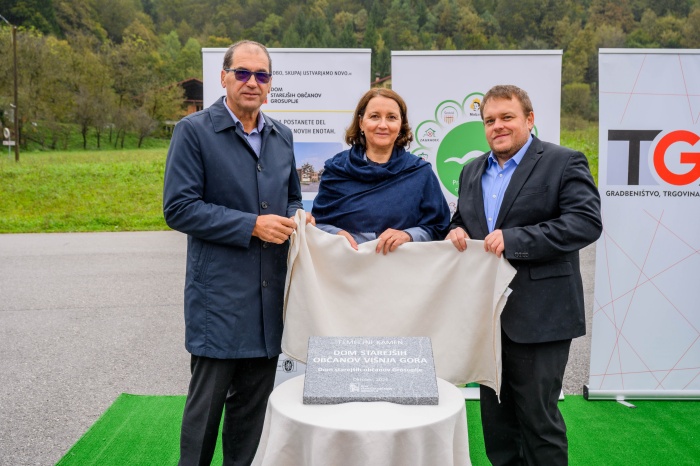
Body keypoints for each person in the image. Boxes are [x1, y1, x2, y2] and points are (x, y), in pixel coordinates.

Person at [163, 40, 313, 466]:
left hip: (269, 299)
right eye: (243, 73)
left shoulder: (281, 136)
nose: (252, 82)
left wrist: (297, 219)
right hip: (220, 298)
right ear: (224, 77)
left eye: (261, 75)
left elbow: (292, 199)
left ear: (270, 85)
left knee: (251, 414)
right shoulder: (192, 132)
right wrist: (251, 225)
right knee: (205, 413)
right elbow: (179, 208)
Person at [446, 84, 602, 465]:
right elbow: (463, 220)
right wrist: (455, 231)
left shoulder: (564, 161)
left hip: (542, 317)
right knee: (497, 427)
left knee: (538, 423)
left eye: (507, 117)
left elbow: (585, 223)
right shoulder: (471, 171)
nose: (497, 126)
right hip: (488, 319)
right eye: (489, 120)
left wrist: (516, 239)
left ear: (529, 119)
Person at [312, 88, 450, 254]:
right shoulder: (336, 169)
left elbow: (438, 227)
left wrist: (408, 235)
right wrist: (336, 235)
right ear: (361, 122)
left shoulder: (420, 172)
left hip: (403, 271)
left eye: (391, 117)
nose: (383, 125)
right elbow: (317, 224)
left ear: (401, 125)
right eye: (374, 116)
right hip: (346, 270)